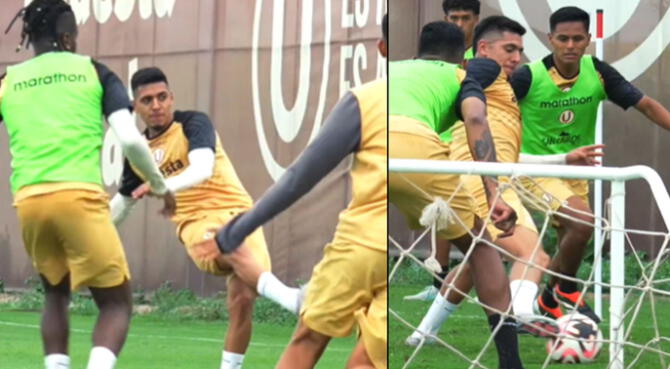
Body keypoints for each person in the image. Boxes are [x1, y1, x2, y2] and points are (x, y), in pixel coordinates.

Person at [192, 17, 389, 369]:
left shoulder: (366, 99)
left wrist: (237, 229)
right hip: (411, 247)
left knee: (309, 337)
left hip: (364, 243)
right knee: (367, 362)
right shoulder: (462, 93)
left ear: (383, 49)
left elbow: (299, 177)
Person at [0, 1, 175, 369]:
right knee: (115, 303)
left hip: (29, 202)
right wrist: (159, 184)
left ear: (29, 39)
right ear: (67, 36)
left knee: (55, 294)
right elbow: (129, 140)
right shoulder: (93, 71)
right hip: (78, 197)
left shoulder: (8, 81)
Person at [109, 67, 303, 369]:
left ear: (171, 98)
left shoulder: (194, 123)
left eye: (162, 97)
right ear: (135, 107)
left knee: (242, 301)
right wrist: (86, 232)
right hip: (197, 225)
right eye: (147, 100)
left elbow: (202, 168)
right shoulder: (139, 154)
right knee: (226, 244)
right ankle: (293, 300)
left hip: (242, 216)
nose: (157, 105)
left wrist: (160, 185)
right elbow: (120, 207)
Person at [405, 16, 563, 347]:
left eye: (520, 50)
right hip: (479, 179)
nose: (517, 57)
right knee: (533, 254)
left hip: (475, 176)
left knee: (480, 259)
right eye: (509, 49)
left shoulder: (502, 85)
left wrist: (564, 159)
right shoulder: (483, 70)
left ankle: (424, 333)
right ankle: (519, 314)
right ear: (483, 49)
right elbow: (464, 80)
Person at [510, 6, 670, 322]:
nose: (570, 46)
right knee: (585, 222)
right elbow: (493, 114)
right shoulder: (527, 77)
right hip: (536, 171)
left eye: (577, 39)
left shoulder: (597, 72)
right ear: (550, 39)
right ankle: (566, 290)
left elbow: (647, 106)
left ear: (589, 40)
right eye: (563, 39)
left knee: (580, 233)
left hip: (576, 174)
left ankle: (548, 296)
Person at [389, 21, 525, 369]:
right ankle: (511, 363)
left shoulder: (391, 71)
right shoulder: (462, 78)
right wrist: (494, 193)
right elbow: (476, 119)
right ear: (463, 58)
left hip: (371, 149)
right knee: (481, 248)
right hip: (415, 150)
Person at [403, 0, 482, 302]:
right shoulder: (432, 57)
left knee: (468, 217)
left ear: (477, 19)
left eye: (466, 18)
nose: (460, 24)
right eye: (454, 18)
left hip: (467, 138)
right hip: (432, 137)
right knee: (438, 207)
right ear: (445, 18)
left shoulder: (479, 57)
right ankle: (439, 280)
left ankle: (473, 276)